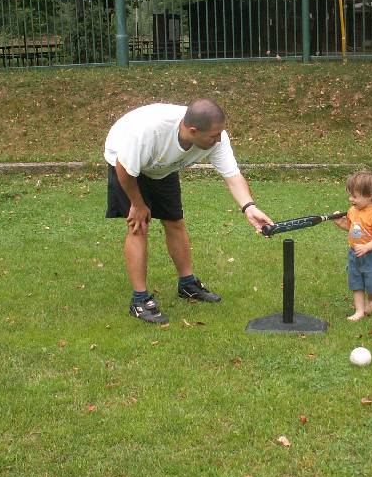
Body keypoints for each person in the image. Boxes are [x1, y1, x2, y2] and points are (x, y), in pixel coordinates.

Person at [104, 98, 273, 324]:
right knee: (139, 226)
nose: (219, 140)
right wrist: (137, 203)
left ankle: (187, 284)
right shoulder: (148, 132)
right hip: (125, 162)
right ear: (193, 131)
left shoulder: (214, 136)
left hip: (162, 166)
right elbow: (124, 167)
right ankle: (140, 300)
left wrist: (249, 207)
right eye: (213, 136)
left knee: (174, 221)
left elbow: (232, 176)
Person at [333, 171, 372, 321]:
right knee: (356, 281)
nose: (350, 199)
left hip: (371, 256)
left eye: (354, 196)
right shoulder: (353, 211)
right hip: (354, 254)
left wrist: (367, 247)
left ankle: (371, 300)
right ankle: (359, 311)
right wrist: (341, 223)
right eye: (350, 195)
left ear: (369, 195)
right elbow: (353, 228)